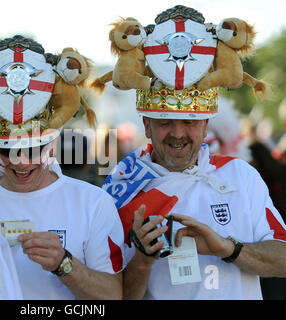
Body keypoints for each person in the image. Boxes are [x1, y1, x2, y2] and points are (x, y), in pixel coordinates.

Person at [103, 5, 286, 300]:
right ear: (147, 125)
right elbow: (109, 296)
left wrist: (227, 248)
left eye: (189, 122)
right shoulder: (122, 186)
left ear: (205, 126)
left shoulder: (240, 175)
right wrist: (142, 260)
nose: (178, 134)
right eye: (165, 123)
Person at [0, 35, 125, 300]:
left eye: (33, 150)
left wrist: (64, 264)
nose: (20, 161)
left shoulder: (94, 203)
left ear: (52, 144)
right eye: (7, 150)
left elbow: (113, 295)